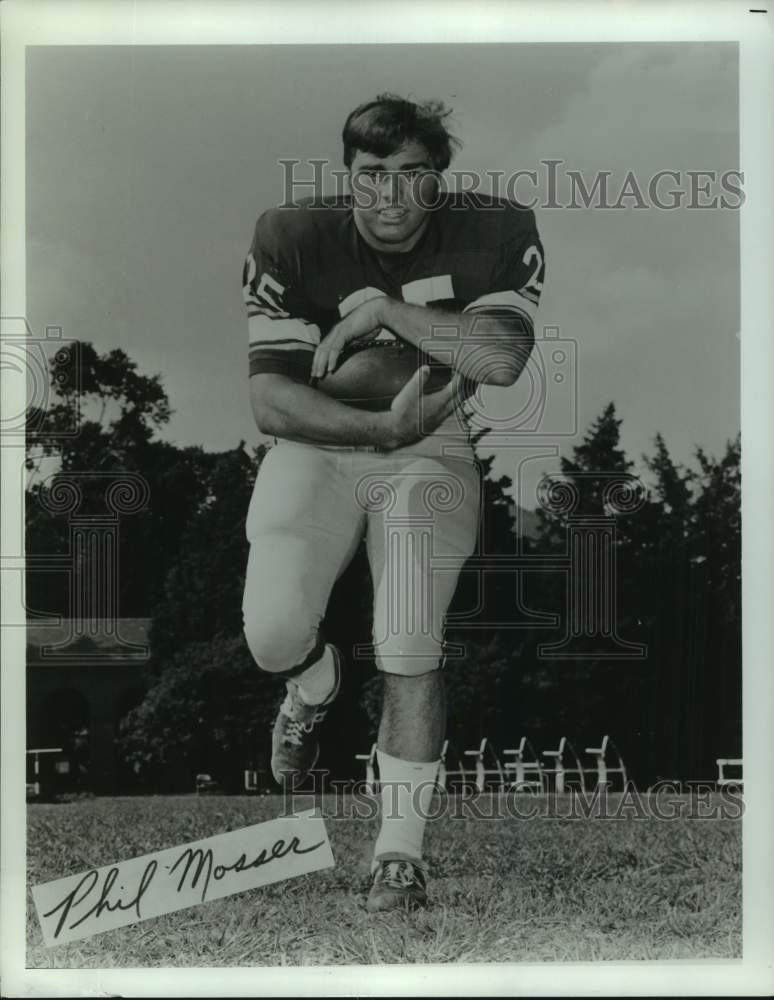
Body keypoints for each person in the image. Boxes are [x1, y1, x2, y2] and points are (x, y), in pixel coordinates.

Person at [241, 94, 544, 912]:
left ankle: (398, 855)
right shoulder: (292, 234)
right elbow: (271, 400)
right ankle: (311, 685)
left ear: (437, 182)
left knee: (410, 638)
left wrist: (384, 311)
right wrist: (376, 426)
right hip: (321, 445)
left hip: (431, 448)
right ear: (348, 175)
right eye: (372, 174)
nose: (390, 195)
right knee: (271, 633)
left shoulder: (497, 228)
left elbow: (501, 359)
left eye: (413, 175)